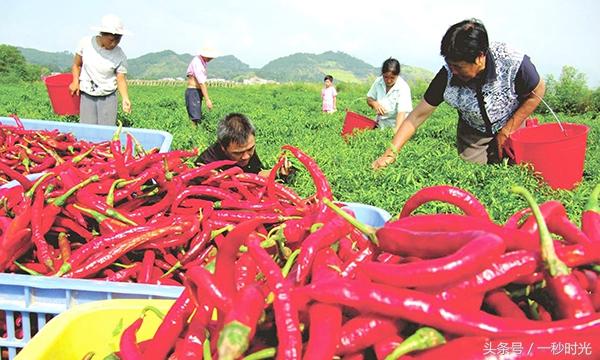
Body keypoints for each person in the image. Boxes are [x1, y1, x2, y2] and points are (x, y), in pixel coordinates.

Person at [372, 19, 545, 169]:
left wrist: (507, 130)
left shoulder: (512, 61)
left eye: (458, 66)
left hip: (511, 121)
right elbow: (416, 116)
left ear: (479, 57)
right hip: (473, 131)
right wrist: (390, 153)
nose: (452, 71)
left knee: (520, 167)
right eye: (450, 64)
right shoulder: (446, 75)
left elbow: (537, 90)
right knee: (473, 176)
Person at [69, 14, 131, 125]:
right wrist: (75, 81)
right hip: (87, 94)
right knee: (87, 130)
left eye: (118, 40)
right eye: (111, 40)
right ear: (102, 34)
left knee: (106, 132)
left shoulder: (119, 55)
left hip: (108, 97)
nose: (114, 43)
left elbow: (120, 78)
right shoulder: (86, 44)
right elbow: (76, 65)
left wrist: (125, 98)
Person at [196, 113, 294, 179]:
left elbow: (257, 173)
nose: (246, 156)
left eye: (250, 149)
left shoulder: (246, 150)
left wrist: (277, 171)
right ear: (223, 147)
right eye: (238, 153)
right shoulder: (206, 164)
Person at [367, 58, 413, 131]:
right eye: (385, 77)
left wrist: (396, 132)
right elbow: (369, 98)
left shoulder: (403, 87)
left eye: (392, 78)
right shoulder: (378, 81)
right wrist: (374, 103)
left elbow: (401, 113)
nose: (388, 80)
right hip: (380, 124)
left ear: (397, 75)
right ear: (382, 74)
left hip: (397, 124)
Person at [185, 47, 219, 124]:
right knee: (195, 118)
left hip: (196, 91)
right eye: (210, 56)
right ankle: (192, 134)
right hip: (193, 91)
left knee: (196, 116)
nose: (211, 58)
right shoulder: (198, 62)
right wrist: (207, 100)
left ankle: (194, 133)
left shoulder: (202, 62)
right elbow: (201, 83)